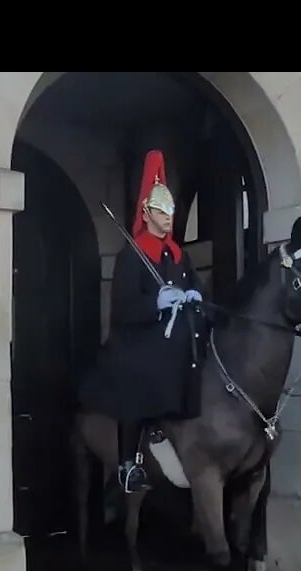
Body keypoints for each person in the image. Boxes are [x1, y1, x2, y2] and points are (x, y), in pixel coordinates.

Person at [78, 149, 207, 493]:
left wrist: (193, 296)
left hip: (178, 334)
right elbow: (123, 306)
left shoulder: (180, 255)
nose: (169, 218)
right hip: (138, 338)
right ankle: (127, 465)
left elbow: (194, 283)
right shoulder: (132, 256)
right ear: (148, 213)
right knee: (139, 376)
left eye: (172, 211)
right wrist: (157, 302)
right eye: (163, 212)